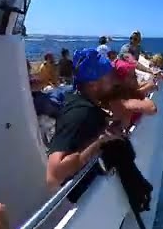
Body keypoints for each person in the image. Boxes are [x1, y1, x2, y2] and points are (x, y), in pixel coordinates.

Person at [44, 48, 121, 188]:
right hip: (80, 196)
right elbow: (53, 176)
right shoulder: (81, 112)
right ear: (93, 84)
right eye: (108, 76)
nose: (114, 81)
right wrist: (101, 140)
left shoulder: (81, 99)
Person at [107, 59, 159, 130]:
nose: (136, 76)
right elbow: (152, 108)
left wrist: (148, 85)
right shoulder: (121, 99)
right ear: (122, 80)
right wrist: (142, 91)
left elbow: (139, 85)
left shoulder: (125, 89)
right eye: (132, 75)